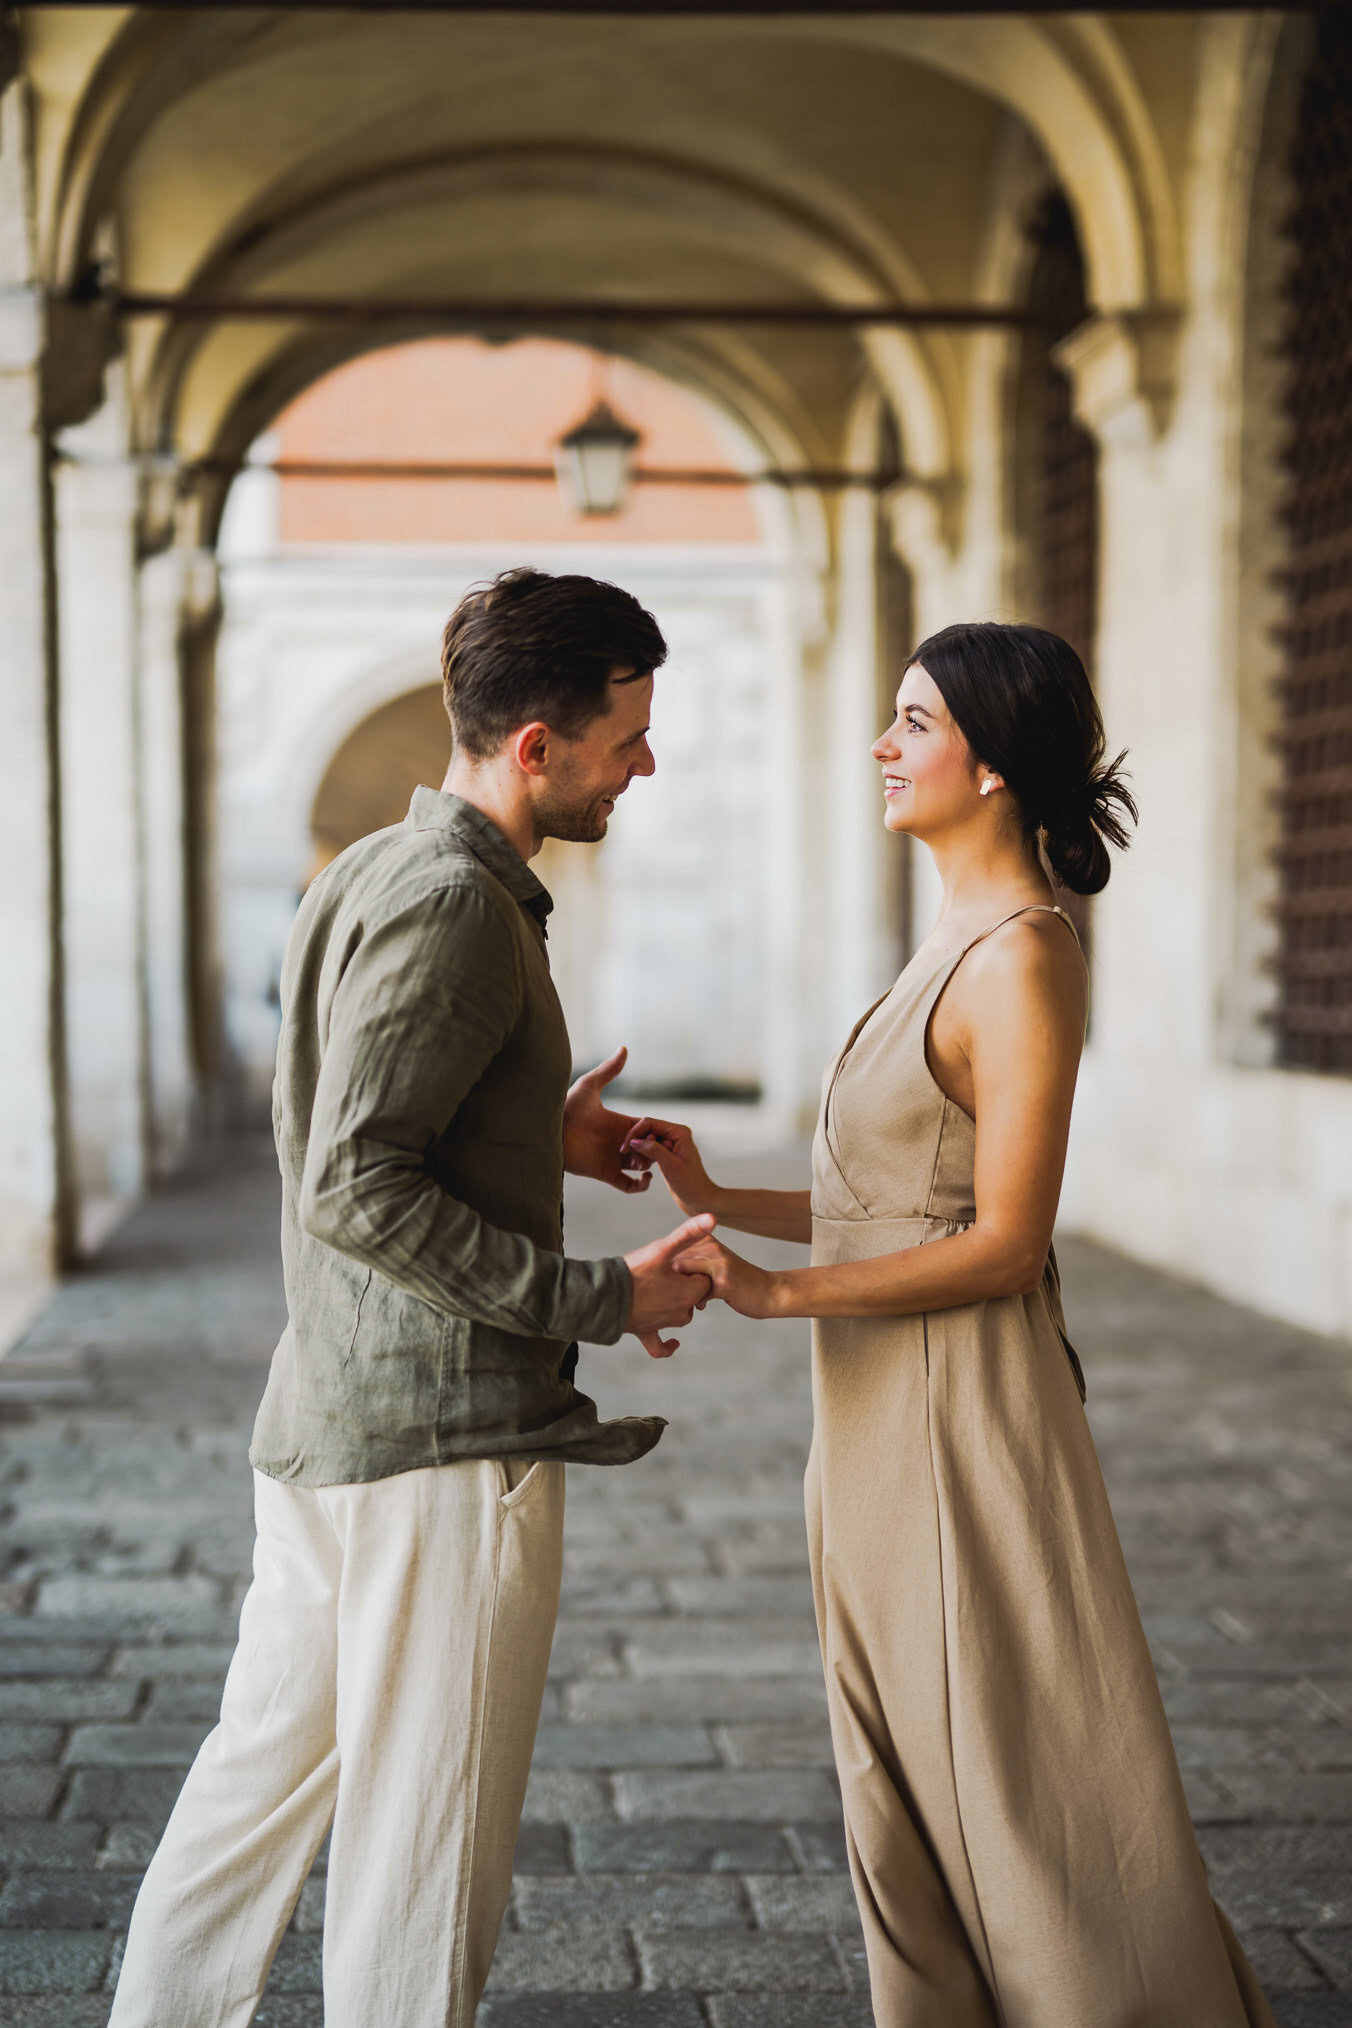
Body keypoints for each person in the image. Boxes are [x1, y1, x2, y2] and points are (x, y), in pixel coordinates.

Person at [635, 622, 1276, 2027]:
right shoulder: (952, 941)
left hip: (960, 1418)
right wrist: (717, 1190)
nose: (883, 743)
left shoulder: (1024, 958)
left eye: (914, 722)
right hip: (873, 1424)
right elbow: (899, 1196)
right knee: (904, 1771)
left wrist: (775, 1290)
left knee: (1012, 1770)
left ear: (993, 768)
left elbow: (1003, 1240)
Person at [108, 567, 714, 2028]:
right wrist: (597, 1298)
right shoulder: (455, 902)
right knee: (427, 1856)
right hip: (436, 1453)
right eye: (626, 736)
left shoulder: (378, 871)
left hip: (337, 1421)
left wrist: (534, 1125)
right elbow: (356, 1182)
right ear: (534, 748)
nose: (645, 762)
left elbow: (359, 1118)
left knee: (251, 1801)